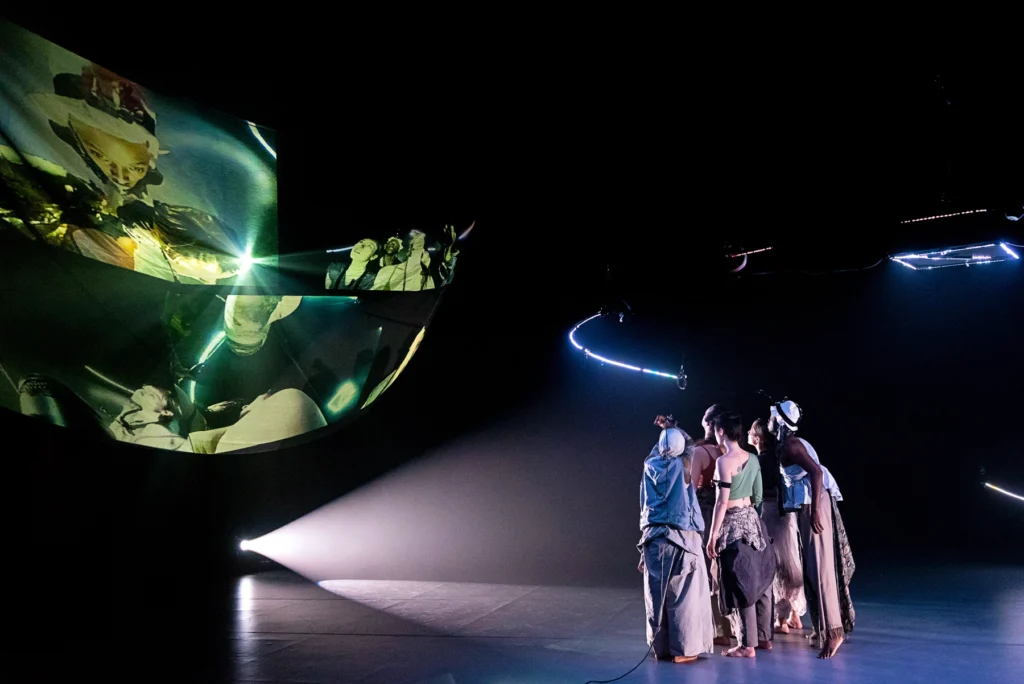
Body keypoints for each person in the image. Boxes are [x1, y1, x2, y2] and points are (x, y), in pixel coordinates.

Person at [770, 399, 855, 659]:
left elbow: (816, 473)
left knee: (820, 569)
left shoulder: (792, 445)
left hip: (813, 507)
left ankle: (834, 632)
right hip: (808, 507)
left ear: (781, 421)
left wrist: (817, 509)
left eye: (772, 417)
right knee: (811, 569)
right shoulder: (788, 444)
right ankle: (822, 629)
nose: (769, 421)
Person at [637, 413, 714, 663]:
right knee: (684, 596)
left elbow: (660, 450)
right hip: (681, 537)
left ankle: (660, 647)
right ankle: (684, 649)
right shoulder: (685, 466)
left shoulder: (650, 465)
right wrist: (674, 428)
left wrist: (665, 432)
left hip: (653, 536)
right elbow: (689, 445)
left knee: (656, 595)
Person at [705, 411, 775, 658]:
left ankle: (747, 645)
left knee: (742, 582)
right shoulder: (753, 458)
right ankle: (765, 637)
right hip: (753, 522)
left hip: (733, 525)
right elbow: (757, 496)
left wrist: (713, 536)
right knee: (762, 581)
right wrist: (752, 518)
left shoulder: (724, 462)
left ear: (721, 431)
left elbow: (721, 503)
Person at [749, 417, 806, 634]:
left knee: (776, 565)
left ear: (757, 437)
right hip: (786, 514)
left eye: (750, 432)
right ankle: (793, 614)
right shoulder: (778, 457)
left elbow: (758, 493)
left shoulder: (760, 461)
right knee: (791, 561)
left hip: (772, 513)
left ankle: (781, 618)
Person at [690, 404, 734, 645]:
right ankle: (733, 627)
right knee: (725, 571)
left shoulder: (701, 453)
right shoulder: (728, 453)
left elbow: (689, 488)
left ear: (708, 424)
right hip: (728, 514)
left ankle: (717, 630)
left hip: (706, 515)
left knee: (708, 572)